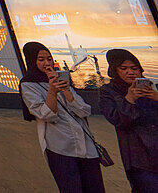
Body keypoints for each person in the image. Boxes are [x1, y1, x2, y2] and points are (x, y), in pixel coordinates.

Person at [20, 41, 104, 192]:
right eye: (41, 59)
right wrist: (52, 91)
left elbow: (84, 110)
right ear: (32, 61)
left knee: (95, 187)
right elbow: (46, 115)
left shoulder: (62, 80)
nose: (47, 63)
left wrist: (67, 90)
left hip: (86, 146)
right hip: (60, 147)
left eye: (49, 59)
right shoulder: (29, 85)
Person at [99, 48, 158, 191]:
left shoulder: (150, 87)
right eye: (123, 68)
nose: (130, 72)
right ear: (115, 70)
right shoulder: (108, 92)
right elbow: (117, 120)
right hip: (138, 155)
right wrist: (129, 99)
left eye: (134, 68)